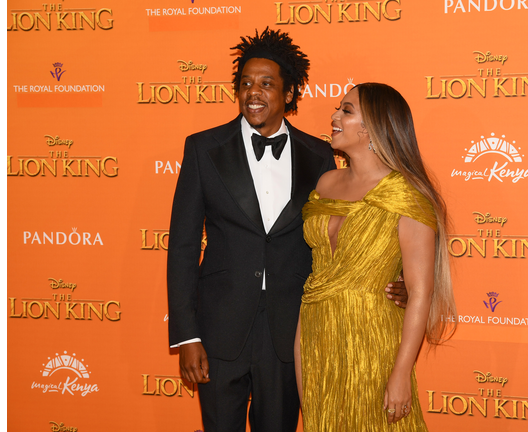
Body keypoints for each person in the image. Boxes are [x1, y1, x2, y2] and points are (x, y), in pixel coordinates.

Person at [166, 29, 409, 432]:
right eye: (245, 84)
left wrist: (395, 276)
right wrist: (186, 335)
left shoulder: (319, 155)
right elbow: (183, 246)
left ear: (289, 92)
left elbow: (352, 229)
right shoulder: (202, 149)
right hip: (219, 331)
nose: (253, 93)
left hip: (292, 331)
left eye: (265, 84)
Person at [294, 83, 457, 431]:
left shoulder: (406, 195)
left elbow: (420, 294)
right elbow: (316, 279)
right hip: (315, 332)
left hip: (373, 339)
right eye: (339, 109)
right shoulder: (325, 183)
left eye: (347, 110)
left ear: (373, 129)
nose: (335, 116)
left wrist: (401, 373)